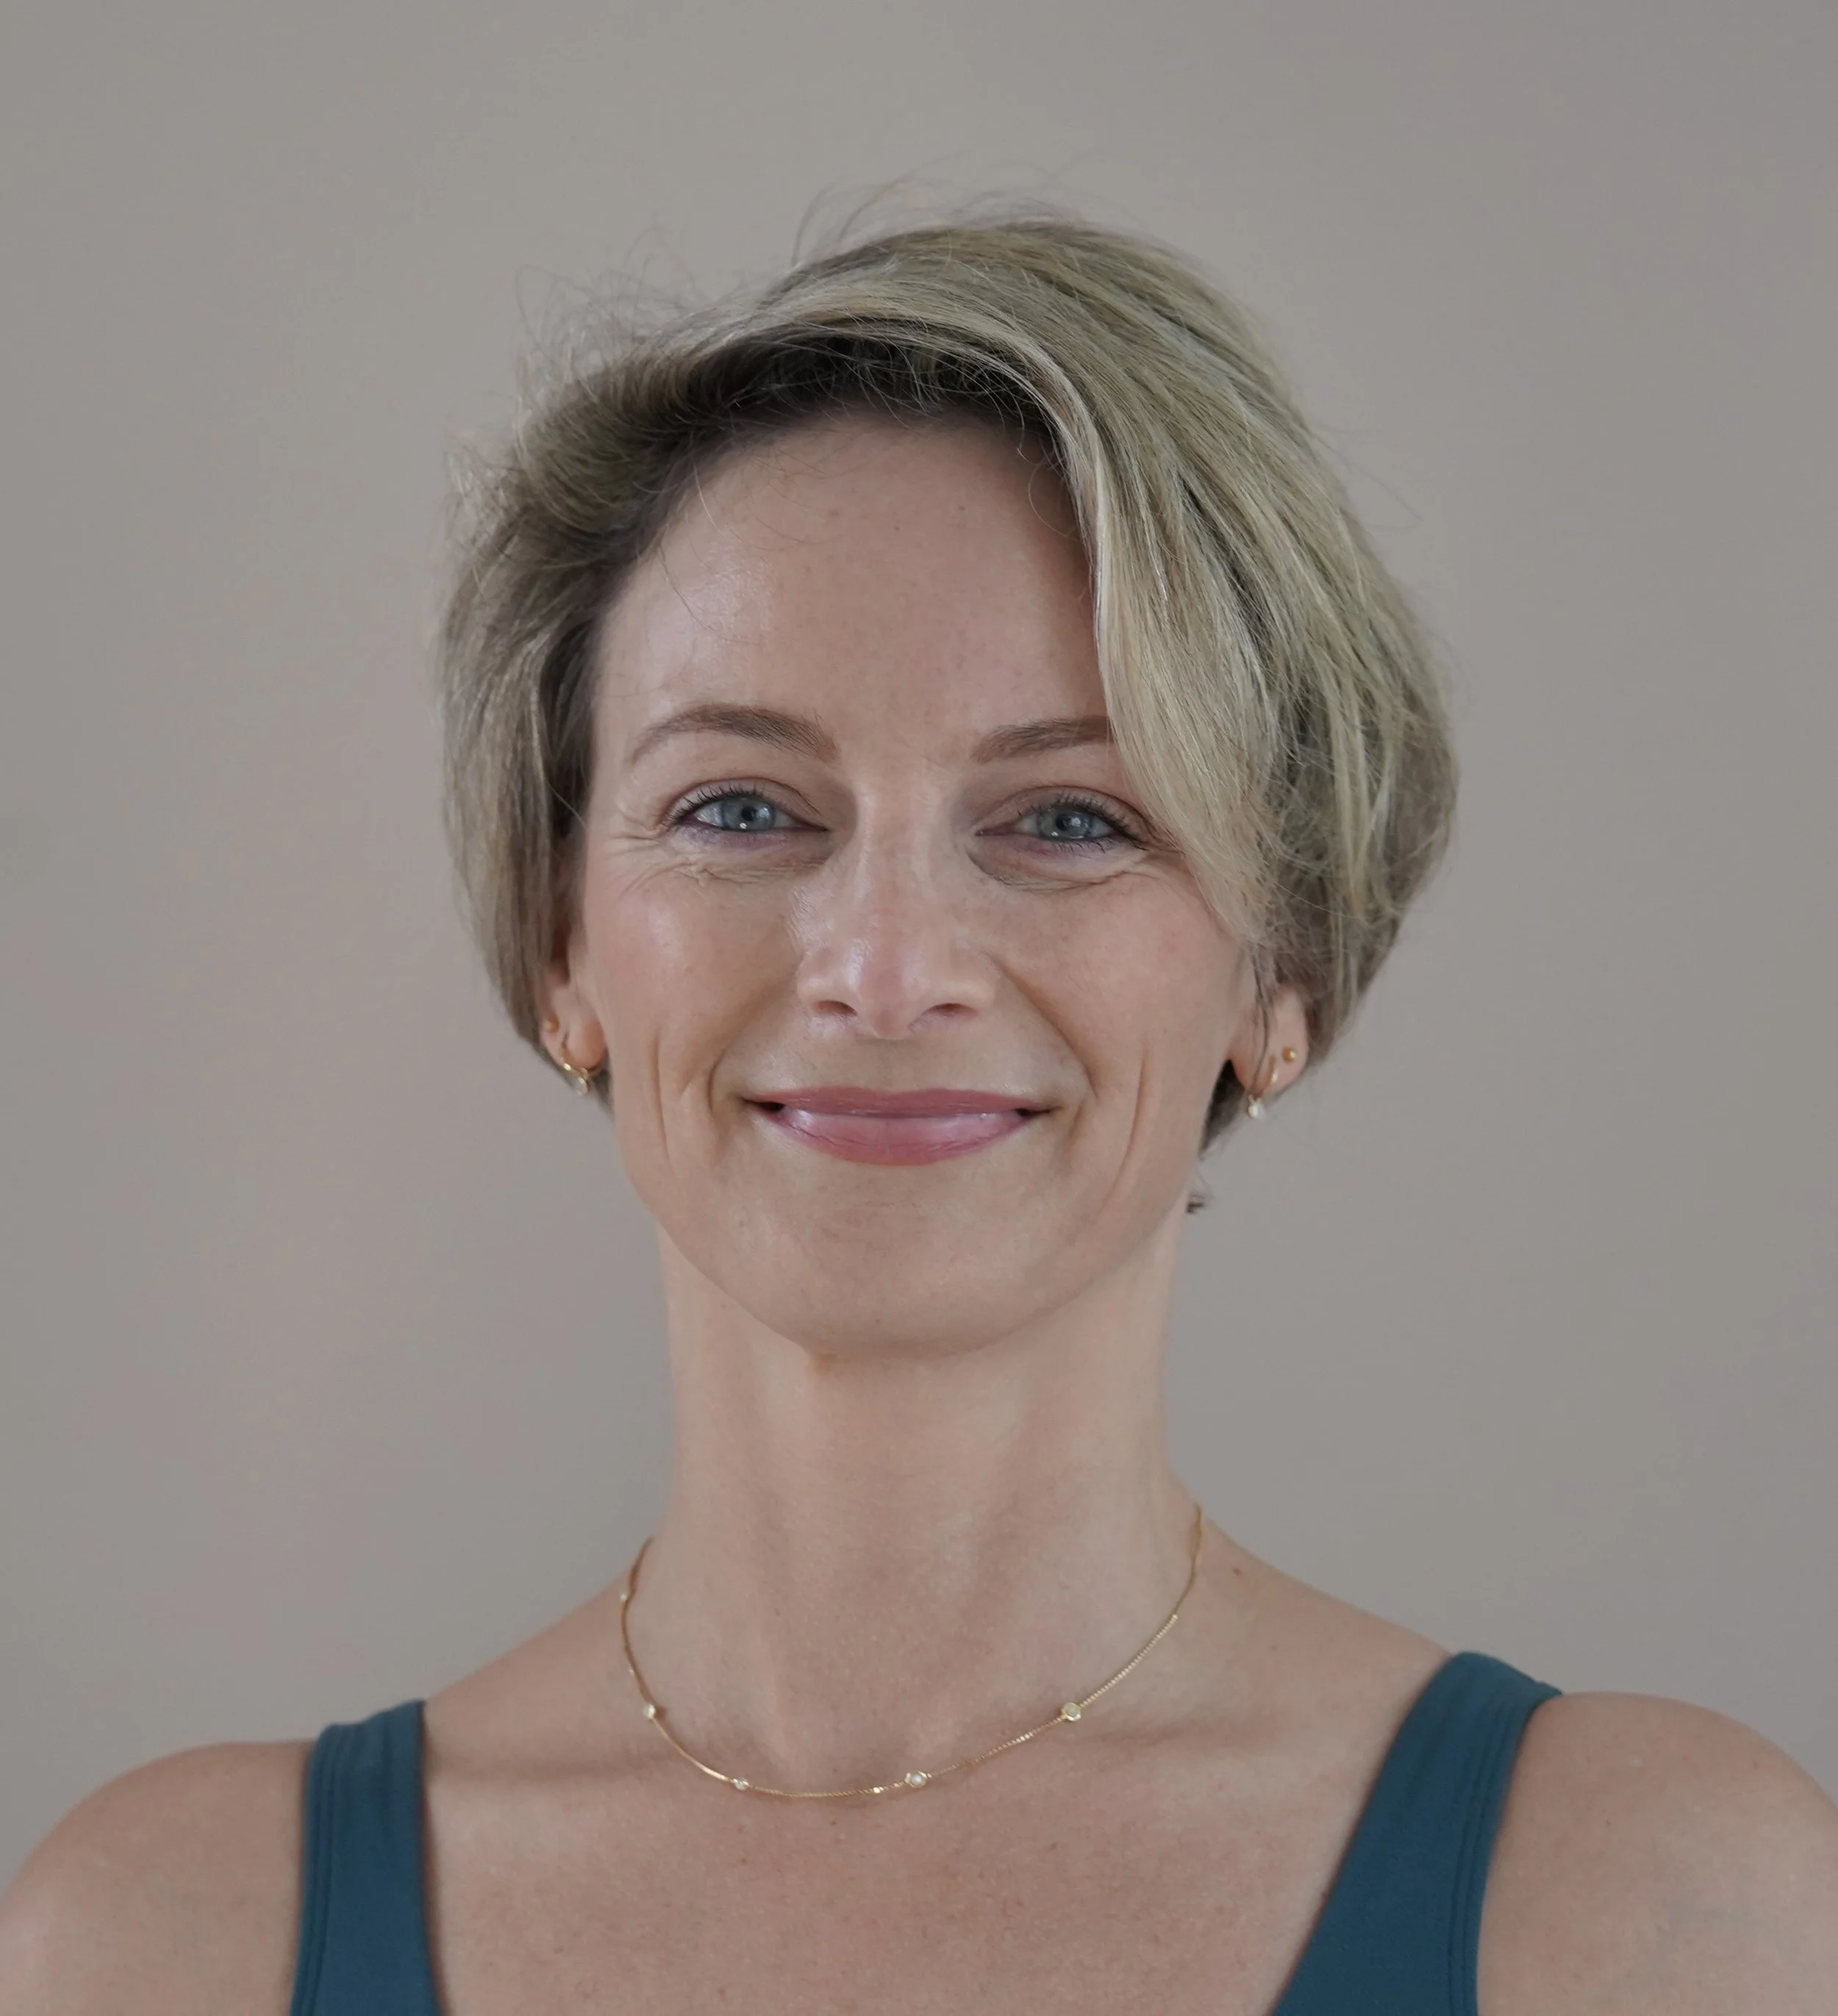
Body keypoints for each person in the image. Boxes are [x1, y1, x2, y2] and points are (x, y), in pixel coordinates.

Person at [2, 212, 1834, 2016]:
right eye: (738, 808)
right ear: (560, 942)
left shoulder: (1647, 1913)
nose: (882, 970)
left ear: (1281, 976)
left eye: (1067, 819)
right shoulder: (168, 1942)